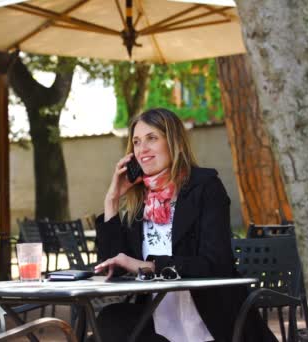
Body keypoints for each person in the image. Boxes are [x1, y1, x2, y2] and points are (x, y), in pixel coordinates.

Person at [94, 108, 276, 342]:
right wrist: (112, 200)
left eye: (152, 138)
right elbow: (114, 267)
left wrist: (148, 265)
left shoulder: (205, 187)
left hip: (212, 318)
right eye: (137, 142)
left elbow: (214, 263)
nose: (142, 150)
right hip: (158, 319)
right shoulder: (142, 201)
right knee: (109, 320)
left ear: (173, 142)